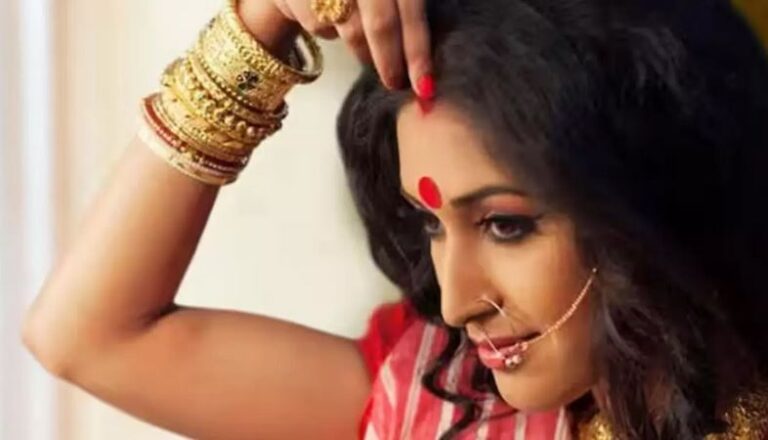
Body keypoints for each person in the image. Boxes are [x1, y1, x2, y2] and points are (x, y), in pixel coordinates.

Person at [21, 0, 768, 438]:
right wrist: (264, 21)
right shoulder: (446, 403)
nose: (457, 301)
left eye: (505, 225)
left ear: (650, 195)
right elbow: (86, 336)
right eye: (431, 223)